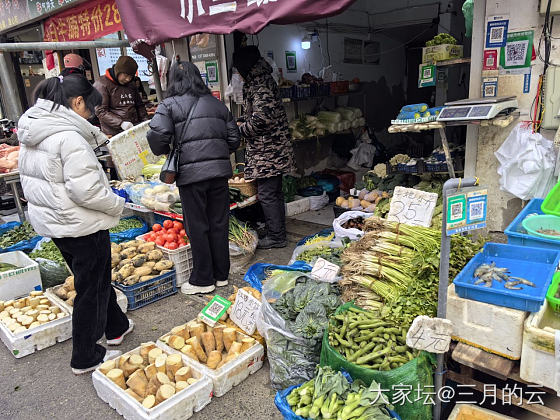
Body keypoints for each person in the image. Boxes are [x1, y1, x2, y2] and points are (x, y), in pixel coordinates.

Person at [17, 75, 133, 374]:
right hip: (81, 224)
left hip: (55, 223)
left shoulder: (34, 131)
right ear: (77, 102)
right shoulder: (68, 137)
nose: (90, 113)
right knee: (90, 289)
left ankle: (116, 326)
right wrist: (118, 203)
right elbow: (87, 192)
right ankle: (85, 356)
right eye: (89, 107)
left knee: (93, 281)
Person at [147, 62, 240, 295]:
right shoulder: (218, 105)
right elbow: (234, 139)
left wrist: (167, 150)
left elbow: (157, 137)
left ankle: (202, 279)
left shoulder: (168, 105)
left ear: (173, 81)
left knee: (197, 226)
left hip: (191, 177)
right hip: (219, 174)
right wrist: (216, 154)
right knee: (219, 223)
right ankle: (221, 275)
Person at [232, 46, 294, 249]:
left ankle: (277, 237)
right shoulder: (259, 81)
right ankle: (276, 230)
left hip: (269, 150)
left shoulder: (260, 85)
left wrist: (241, 130)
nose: (238, 75)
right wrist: (242, 120)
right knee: (272, 193)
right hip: (269, 148)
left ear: (245, 67)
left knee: (268, 194)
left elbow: (262, 120)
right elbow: (256, 114)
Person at [93, 56, 148, 136]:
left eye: (131, 76)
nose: (128, 79)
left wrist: (145, 122)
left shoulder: (131, 84)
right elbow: (101, 111)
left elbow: (139, 105)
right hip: (114, 133)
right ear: (118, 71)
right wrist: (121, 123)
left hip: (134, 129)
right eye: (125, 75)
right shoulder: (101, 84)